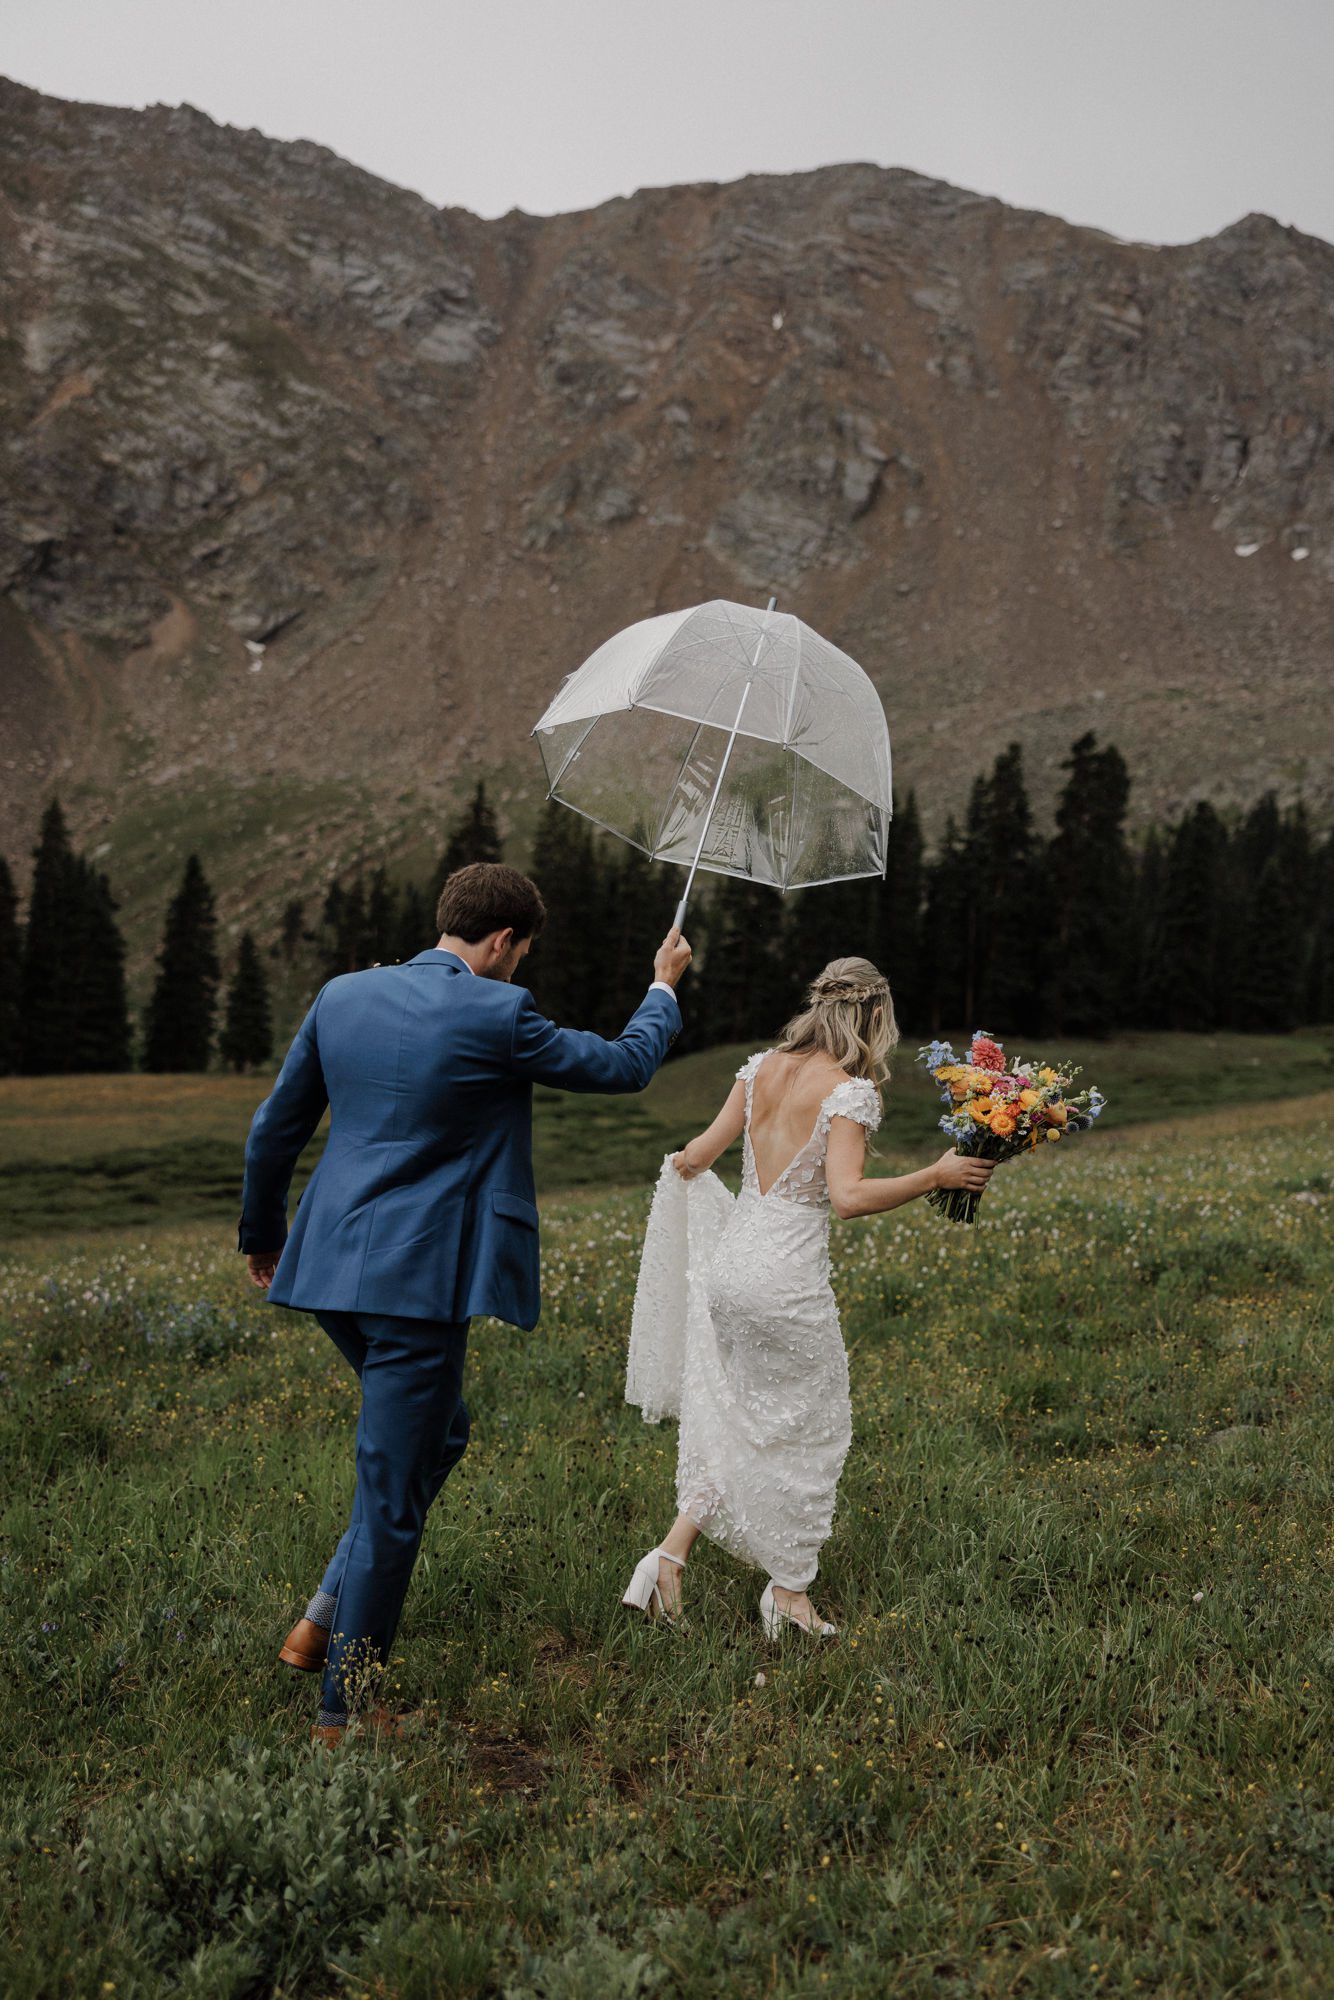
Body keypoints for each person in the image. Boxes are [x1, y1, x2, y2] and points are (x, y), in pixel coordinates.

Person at [238, 860, 692, 1745]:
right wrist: (662, 989)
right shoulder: (499, 1011)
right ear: (502, 941)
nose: (518, 967)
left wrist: (263, 1236)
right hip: (416, 1290)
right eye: (520, 952)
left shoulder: (342, 997)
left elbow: (274, 1128)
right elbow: (624, 1064)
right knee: (395, 1492)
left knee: (440, 1436)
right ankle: (344, 1712)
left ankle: (321, 1616)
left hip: (328, 1272)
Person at [622, 956, 993, 1637]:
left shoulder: (758, 1068)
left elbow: (696, 1157)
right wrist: (936, 1173)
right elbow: (848, 1199)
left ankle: (667, 1558)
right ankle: (788, 1594)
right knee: (814, 1429)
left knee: (741, 1421)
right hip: (785, 1282)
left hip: (730, 1271)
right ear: (872, 1016)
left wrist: (683, 1184)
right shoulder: (848, 1092)